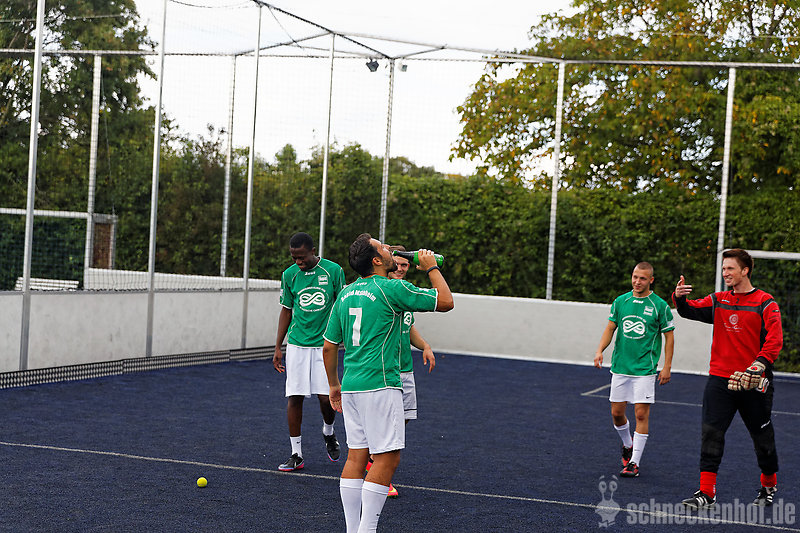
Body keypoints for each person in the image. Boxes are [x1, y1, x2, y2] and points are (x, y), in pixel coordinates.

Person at [322, 234, 453, 533]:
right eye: (383, 247)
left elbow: (329, 346)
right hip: (380, 385)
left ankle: (353, 529)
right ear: (377, 260)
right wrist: (432, 267)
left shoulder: (346, 293)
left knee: (356, 456)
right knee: (387, 459)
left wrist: (334, 385)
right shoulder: (392, 288)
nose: (391, 249)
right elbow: (446, 301)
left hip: (351, 385)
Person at [673, 248, 783, 509]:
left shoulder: (766, 303)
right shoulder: (718, 300)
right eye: (723, 269)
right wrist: (679, 298)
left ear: (745, 270)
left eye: (730, 268)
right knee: (711, 434)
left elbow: (775, 339)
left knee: (762, 439)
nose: (725, 273)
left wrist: (759, 365)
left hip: (754, 382)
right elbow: (689, 310)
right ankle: (706, 493)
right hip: (720, 381)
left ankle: (768, 485)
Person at [365, 245, 437, 498]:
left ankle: (371, 461)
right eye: (397, 263)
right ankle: (376, 471)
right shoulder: (382, 291)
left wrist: (425, 346)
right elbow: (445, 301)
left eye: (405, 265)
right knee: (389, 427)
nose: (401, 268)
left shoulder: (403, 291)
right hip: (384, 372)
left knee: (403, 420)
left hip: (405, 368)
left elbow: (409, 326)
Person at [593, 262, 675, 479]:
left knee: (640, 414)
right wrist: (600, 350)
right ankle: (627, 445)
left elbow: (669, 337)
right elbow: (610, 327)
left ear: (651, 280)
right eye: (635, 277)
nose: (637, 282)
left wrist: (666, 366)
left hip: (645, 370)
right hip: (620, 367)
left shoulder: (660, 306)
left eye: (642, 278)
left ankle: (634, 463)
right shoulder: (621, 301)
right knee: (616, 414)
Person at [273, 232, 345, 472]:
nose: (298, 262)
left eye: (302, 257)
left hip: (325, 344)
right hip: (297, 344)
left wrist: (344, 339)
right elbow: (286, 310)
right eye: (294, 257)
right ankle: (296, 454)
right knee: (294, 397)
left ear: (313, 251)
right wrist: (278, 346)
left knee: (327, 397)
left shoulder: (333, 271)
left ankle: (329, 431)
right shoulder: (289, 275)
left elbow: (342, 307)